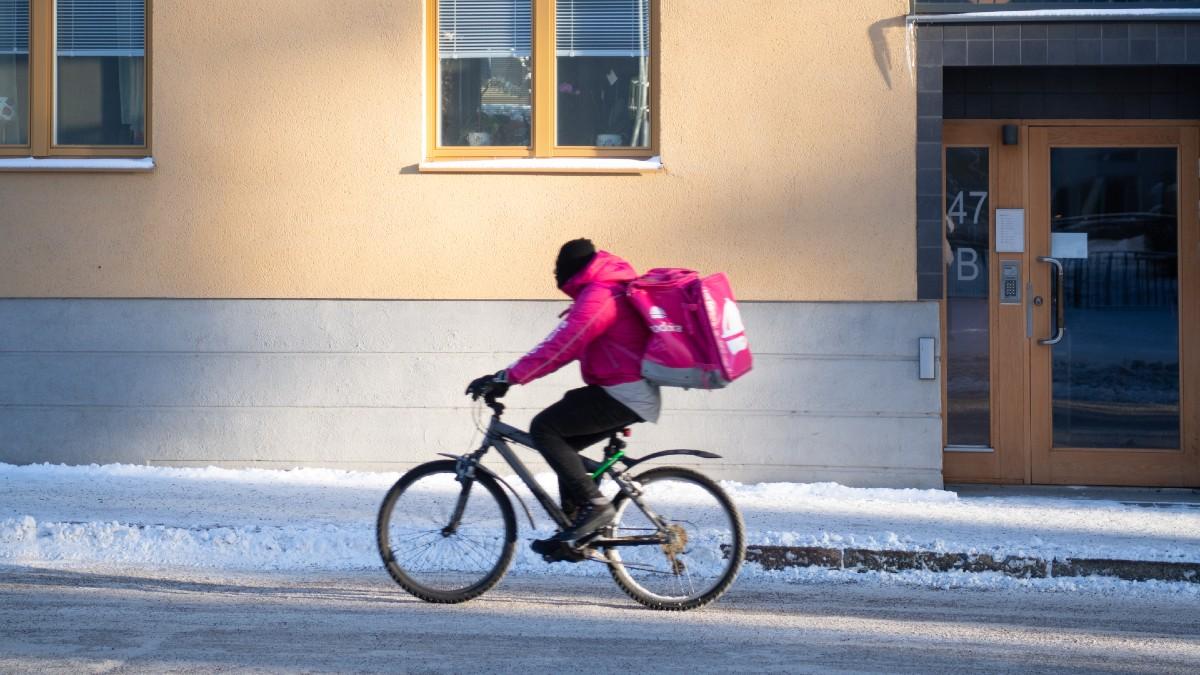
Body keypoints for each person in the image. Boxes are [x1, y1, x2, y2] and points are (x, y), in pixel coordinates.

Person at [465, 239, 661, 557]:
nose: (556, 274)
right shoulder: (603, 290)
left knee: (545, 428)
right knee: (563, 447)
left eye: (558, 267)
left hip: (624, 393)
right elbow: (564, 348)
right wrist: (509, 377)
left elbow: (558, 349)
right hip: (624, 391)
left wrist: (506, 377)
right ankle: (575, 535)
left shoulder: (599, 296)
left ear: (571, 269)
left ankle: (595, 507)